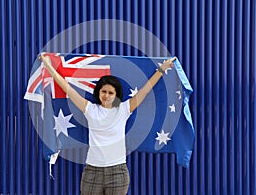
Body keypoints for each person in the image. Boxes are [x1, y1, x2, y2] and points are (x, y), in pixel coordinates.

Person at [39, 54, 176, 195]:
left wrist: (162, 69)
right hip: (92, 171)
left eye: (111, 92)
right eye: (103, 91)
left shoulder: (124, 109)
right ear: (98, 92)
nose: (106, 95)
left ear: (116, 95)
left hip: (118, 173)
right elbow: (67, 88)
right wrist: (48, 65)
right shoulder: (90, 109)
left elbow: (145, 90)